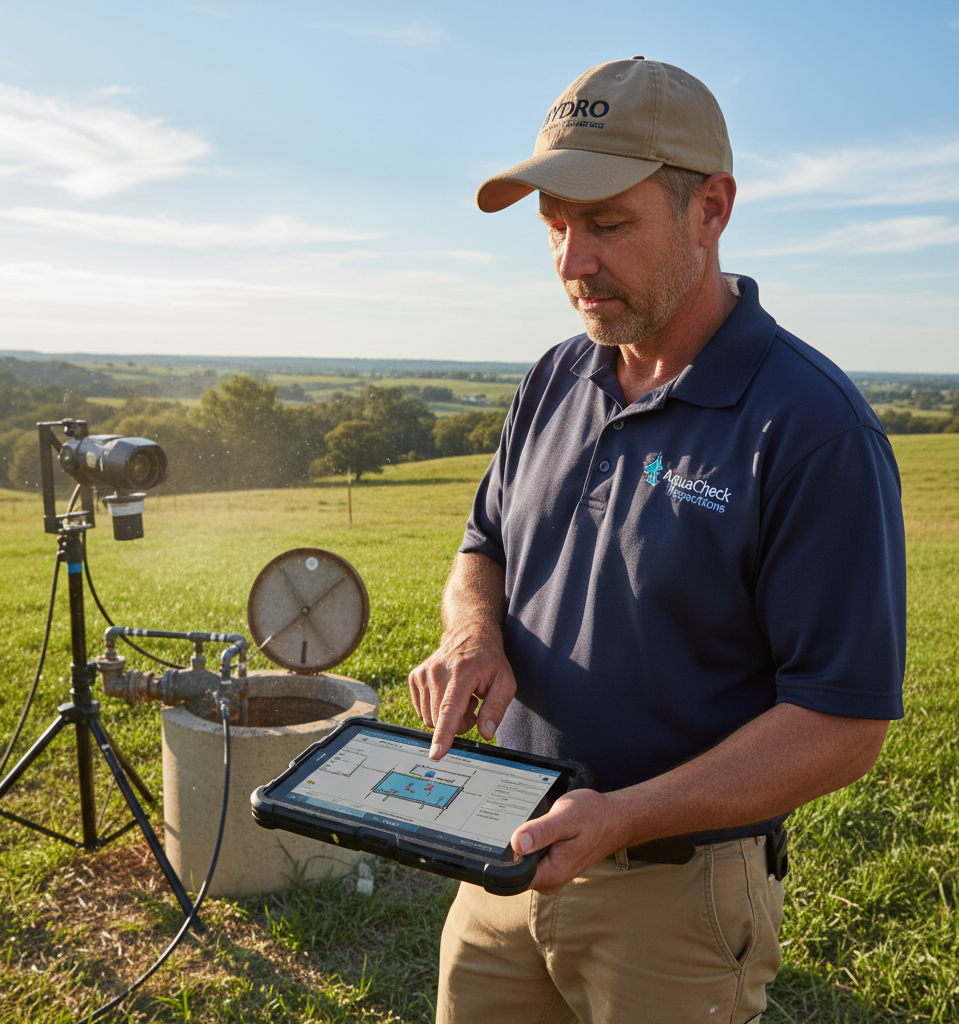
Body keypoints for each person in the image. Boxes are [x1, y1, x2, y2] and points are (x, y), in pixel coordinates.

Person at [408, 57, 906, 1024]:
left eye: (607, 223)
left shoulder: (811, 427)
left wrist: (624, 816)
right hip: (499, 852)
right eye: (555, 225)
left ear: (710, 209)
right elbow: (483, 546)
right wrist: (473, 632)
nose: (572, 262)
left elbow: (844, 725)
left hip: (674, 900)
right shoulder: (555, 377)